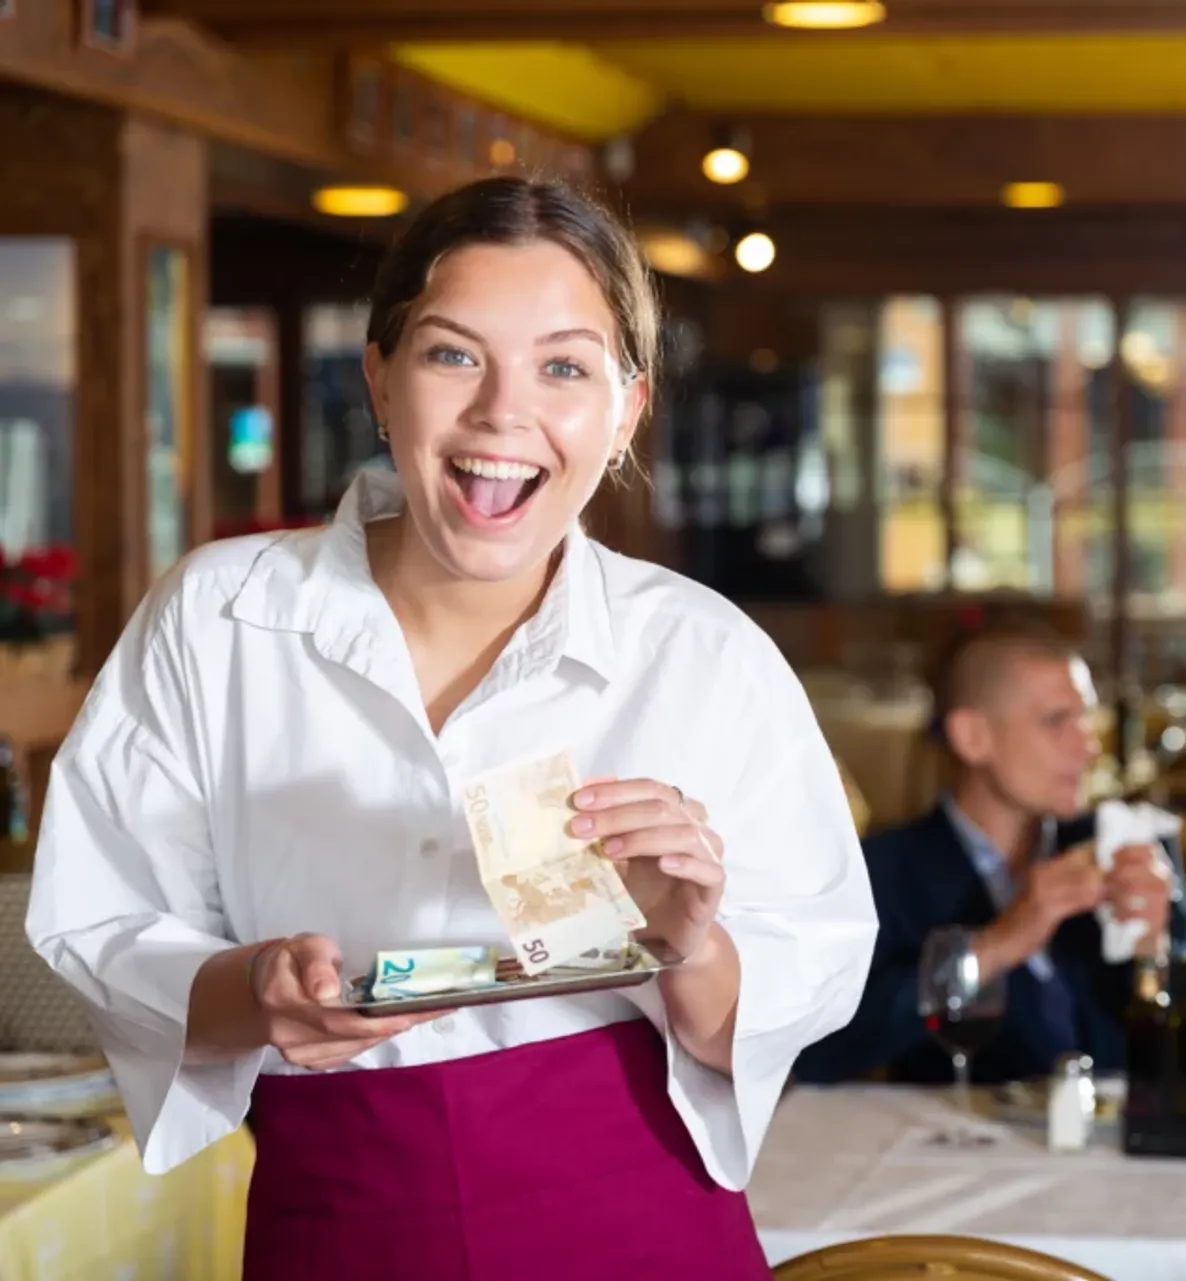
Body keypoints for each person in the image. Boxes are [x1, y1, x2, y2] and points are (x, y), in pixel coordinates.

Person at [26, 177, 876, 1279]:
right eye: (452, 355)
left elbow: (789, 1000)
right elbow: (105, 921)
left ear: (626, 410)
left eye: (563, 367)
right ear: (379, 377)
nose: (501, 414)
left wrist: (685, 947)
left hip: (639, 1228)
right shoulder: (219, 618)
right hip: (341, 1222)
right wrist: (254, 993)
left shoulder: (704, 656)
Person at [794, 624, 1186, 1086]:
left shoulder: (1125, 852)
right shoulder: (884, 870)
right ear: (972, 736)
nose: (1089, 746)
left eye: (1086, 718)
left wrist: (1157, 954)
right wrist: (995, 946)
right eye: (1057, 721)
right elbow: (817, 1056)